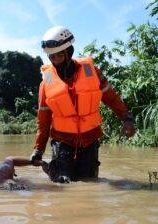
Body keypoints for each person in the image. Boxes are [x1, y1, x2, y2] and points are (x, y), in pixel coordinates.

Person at [30, 26, 136, 183]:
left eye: (58, 55)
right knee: (63, 183)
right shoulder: (46, 82)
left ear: (68, 52)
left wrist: (126, 118)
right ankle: (54, 170)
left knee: (89, 181)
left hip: (90, 138)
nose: (54, 60)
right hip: (62, 140)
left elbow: (111, 98)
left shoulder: (92, 72)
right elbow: (43, 121)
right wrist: (38, 149)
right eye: (51, 56)